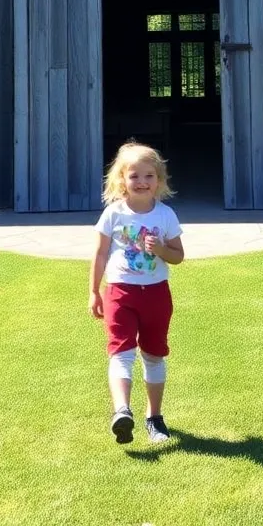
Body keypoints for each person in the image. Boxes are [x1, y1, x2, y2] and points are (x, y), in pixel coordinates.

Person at [89, 141, 184, 444]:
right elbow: (101, 254)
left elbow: (178, 256)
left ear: (159, 180)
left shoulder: (166, 215)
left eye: (149, 176)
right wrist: (94, 292)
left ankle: (154, 418)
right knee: (121, 351)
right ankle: (122, 412)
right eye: (134, 176)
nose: (142, 182)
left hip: (156, 294)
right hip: (120, 292)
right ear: (121, 180)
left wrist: (161, 249)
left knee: (154, 354)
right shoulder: (113, 214)